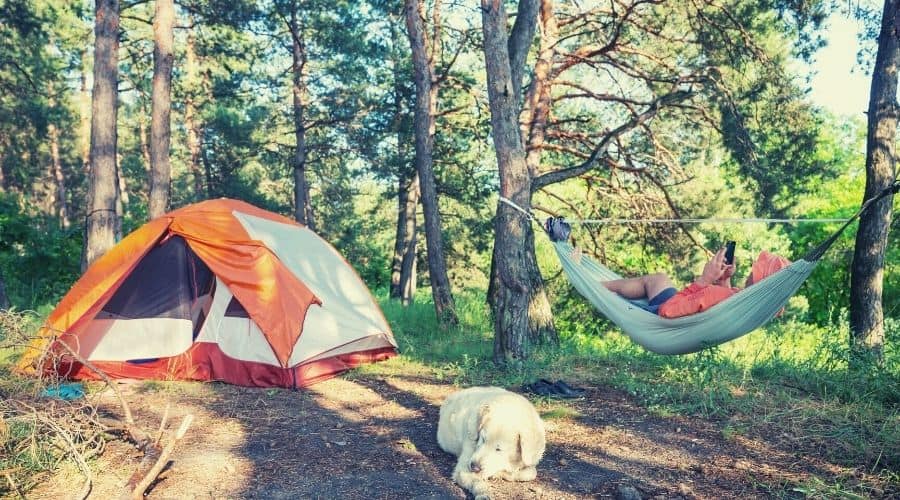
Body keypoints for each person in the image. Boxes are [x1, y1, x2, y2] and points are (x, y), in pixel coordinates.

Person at [544, 217, 791, 318]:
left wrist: (705, 280)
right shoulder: (746, 302)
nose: (749, 272)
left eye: (754, 272)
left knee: (654, 281)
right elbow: (722, 300)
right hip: (691, 313)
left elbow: (668, 311)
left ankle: (590, 285)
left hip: (666, 321)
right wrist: (724, 279)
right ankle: (599, 287)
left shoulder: (720, 294)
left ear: (758, 279)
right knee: (659, 279)